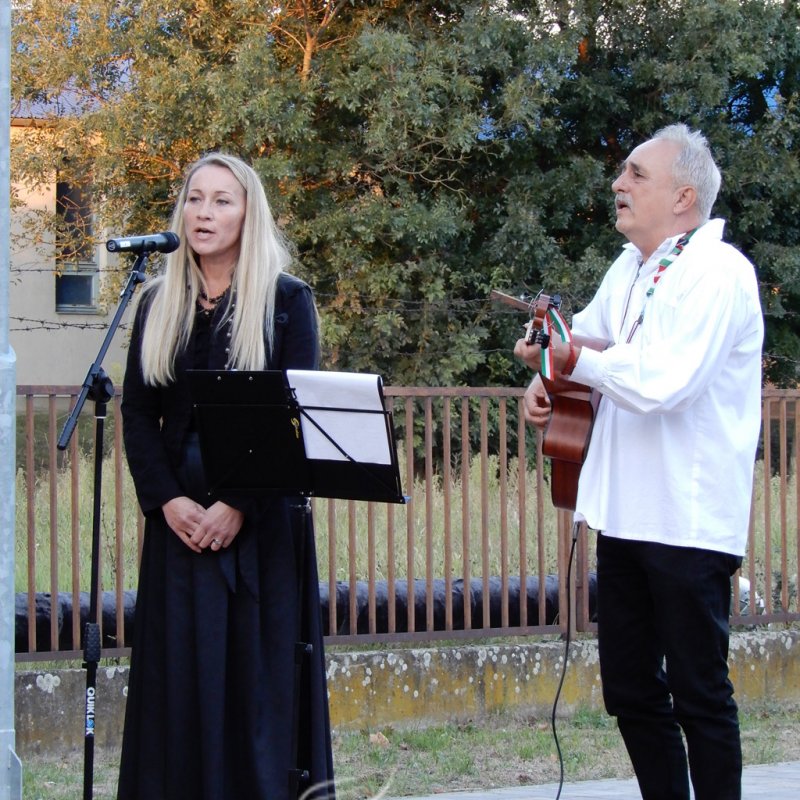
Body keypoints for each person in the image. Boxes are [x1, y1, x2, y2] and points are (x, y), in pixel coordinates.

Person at [514, 124, 763, 800]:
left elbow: (664, 383)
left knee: (699, 694)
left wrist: (571, 359)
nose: (618, 183)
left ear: (683, 197)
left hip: (688, 519)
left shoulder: (720, 272)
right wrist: (546, 377)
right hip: (623, 514)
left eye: (636, 174)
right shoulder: (627, 267)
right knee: (629, 690)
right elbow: (585, 343)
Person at [118, 153, 335, 800]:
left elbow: (295, 418)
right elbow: (138, 413)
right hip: (179, 523)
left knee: (254, 689)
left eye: (221, 201)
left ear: (248, 214)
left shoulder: (287, 301)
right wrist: (167, 501)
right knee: (178, 682)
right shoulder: (158, 300)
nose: (204, 213)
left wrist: (237, 503)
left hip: (260, 524)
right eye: (195, 199)